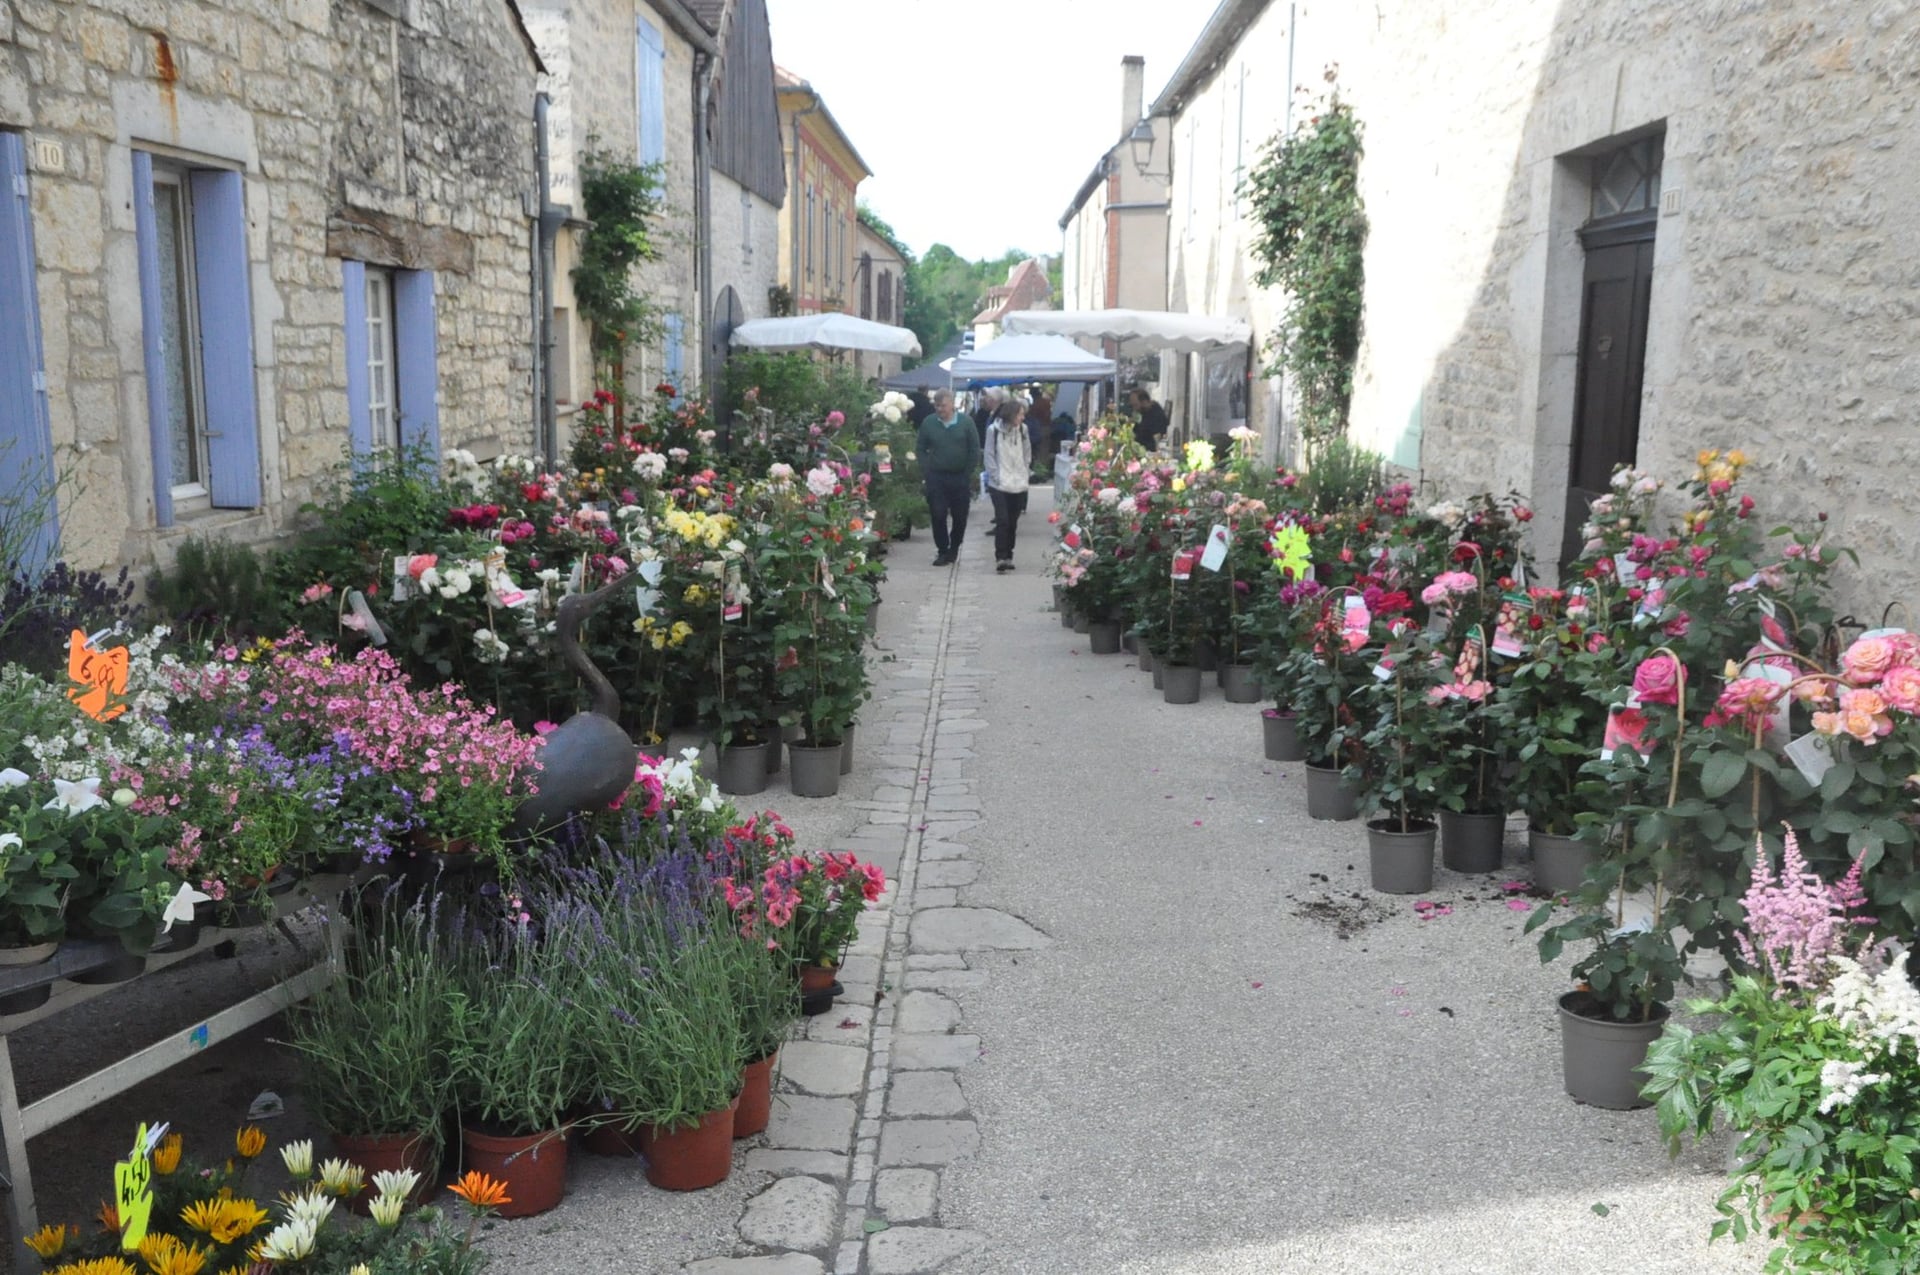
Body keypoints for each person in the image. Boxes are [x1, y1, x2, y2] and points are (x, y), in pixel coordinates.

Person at [917, 389, 981, 566]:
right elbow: (921, 447)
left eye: (943, 405)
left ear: (952, 404)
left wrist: (968, 471)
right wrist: (926, 468)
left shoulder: (966, 423)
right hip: (936, 477)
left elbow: (974, 448)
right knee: (937, 513)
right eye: (937, 406)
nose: (940, 409)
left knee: (960, 516)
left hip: (959, 476)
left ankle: (954, 547)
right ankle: (943, 550)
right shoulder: (929, 423)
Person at [984, 399, 1033, 573]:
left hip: (1018, 482)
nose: (1022, 417)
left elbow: (1027, 452)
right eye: (1020, 414)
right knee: (1003, 520)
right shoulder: (994, 431)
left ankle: (1009, 555)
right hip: (999, 483)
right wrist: (995, 476)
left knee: (1012, 522)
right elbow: (989, 454)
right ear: (1011, 414)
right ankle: (1000, 557)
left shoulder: (1023, 430)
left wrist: (1025, 472)